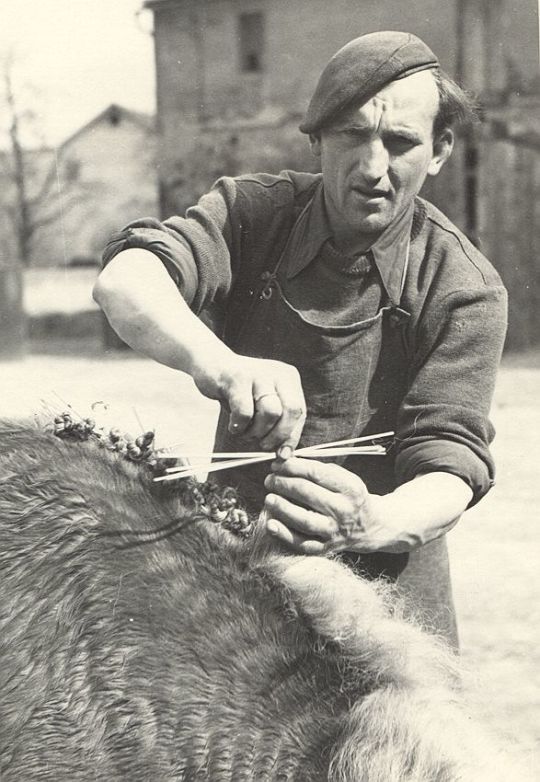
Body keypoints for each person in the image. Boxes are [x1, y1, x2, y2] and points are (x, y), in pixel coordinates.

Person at [94, 31, 507, 646]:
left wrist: (375, 520)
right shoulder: (251, 214)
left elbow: (452, 466)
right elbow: (124, 281)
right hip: (237, 581)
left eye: (400, 144)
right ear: (316, 138)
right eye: (351, 135)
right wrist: (222, 365)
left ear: (440, 150)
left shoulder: (463, 286)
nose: (373, 169)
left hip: (387, 607)